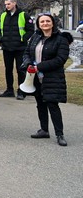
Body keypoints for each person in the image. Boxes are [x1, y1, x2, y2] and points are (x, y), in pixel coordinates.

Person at [21, 13, 69, 146]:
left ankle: (60, 134)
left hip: (52, 78)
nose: (45, 24)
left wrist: (39, 67)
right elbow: (26, 52)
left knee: (52, 104)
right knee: (40, 104)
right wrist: (28, 63)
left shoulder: (61, 39)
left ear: (53, 23)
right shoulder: (35, 37)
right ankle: (44, 130)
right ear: (38, 24)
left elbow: (60, 60)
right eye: (42, 22)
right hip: (35, 77)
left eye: (48, 21)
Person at [0, 0, 34, 100]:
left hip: (20, 48)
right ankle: (9, 90)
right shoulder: (3, 15)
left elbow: (31, 30)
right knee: (8, 70)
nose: (7, 6)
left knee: (20, 70)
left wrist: (23, 39)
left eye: (9, 4)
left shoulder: (24, 15)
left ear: (14, 3)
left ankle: (21, 91)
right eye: (5, 4)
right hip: (7, 47)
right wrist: (1, 39)